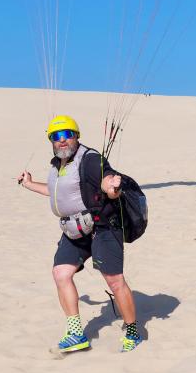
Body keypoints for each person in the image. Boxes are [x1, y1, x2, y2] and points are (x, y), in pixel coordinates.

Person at [18, 115, 142, 353]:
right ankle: (76, 333)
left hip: (103, 227)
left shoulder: (91, 159)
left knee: (114, 281)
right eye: (56, 136)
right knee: (60, 273)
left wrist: (112, 188)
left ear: (76, 136)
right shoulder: (58, 165)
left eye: (67, 135)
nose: (62, 141)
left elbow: (108, 182)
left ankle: (133, 329)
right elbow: (57, 193)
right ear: (51, 141)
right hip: (74, 229)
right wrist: (29, 184)